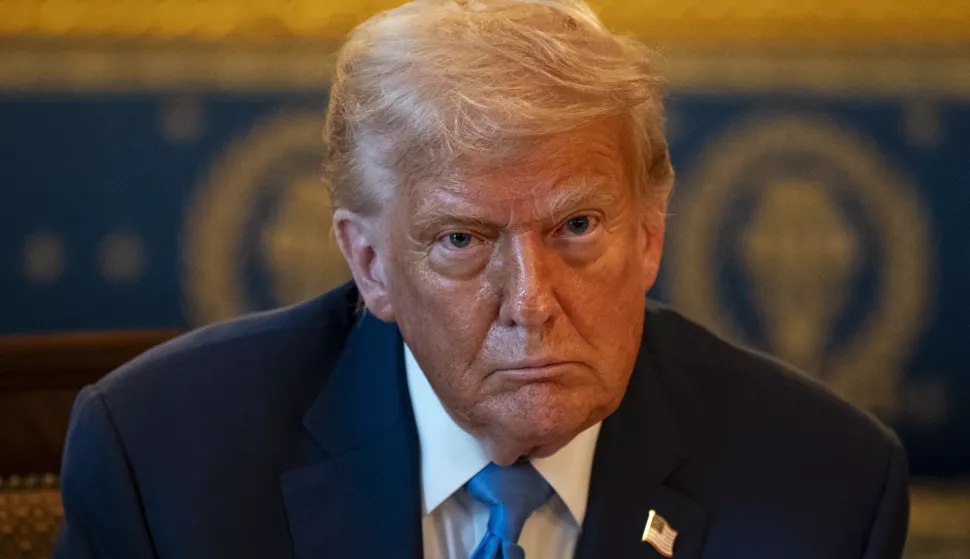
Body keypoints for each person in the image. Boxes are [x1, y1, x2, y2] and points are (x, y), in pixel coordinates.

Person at [54, 0, 909, 557]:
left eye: (577, 226)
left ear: (650, 234)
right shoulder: (163, 463)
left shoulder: (827, 485)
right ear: (370, 264)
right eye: (462, 239)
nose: (531, 303)